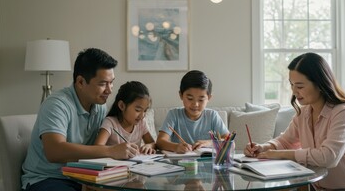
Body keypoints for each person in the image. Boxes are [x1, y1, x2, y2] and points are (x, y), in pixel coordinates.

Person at [244, 52, 345, 191]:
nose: (294, 92)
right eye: (292, 85)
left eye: (300, 86)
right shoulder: (304, 112)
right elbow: (285, 141)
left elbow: (329, 157)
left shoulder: (343, 112)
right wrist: (263, 147)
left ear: (319, 84)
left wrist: (281, 154)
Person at [21, 48, 139, 191]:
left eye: (111, 82)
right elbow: (54, 151)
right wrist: (110, 151)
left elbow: (99, 147)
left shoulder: (99, 105)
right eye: (102, 84)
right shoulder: (57, 104)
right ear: (81, 82)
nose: (109, 90)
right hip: (46, 178)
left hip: (83, 176)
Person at [156, 70, 229, 153]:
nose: (195, 104)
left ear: (209, 98)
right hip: (180, 163)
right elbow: (160, 142)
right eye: (190, 99)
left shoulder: (212, 115)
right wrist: (176, 147)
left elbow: (230, 142)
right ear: (181, 95)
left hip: (206, 163)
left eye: (201, 100)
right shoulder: (174, 115)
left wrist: (210, 143)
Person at [94, 81, 156, 154]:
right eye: (138, 110)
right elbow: (97, 147)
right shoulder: (110, 123)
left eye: (145, 110)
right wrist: (114, 150)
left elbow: (153, 143)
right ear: (122, 106)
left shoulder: (141, 123)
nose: (142, 116)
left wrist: (149, 146)